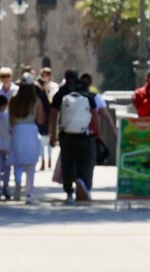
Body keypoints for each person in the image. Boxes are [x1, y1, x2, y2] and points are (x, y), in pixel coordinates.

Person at [53, 73, 95, 203]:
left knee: (67, 163)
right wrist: (98, 133)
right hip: (83, 135)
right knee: (83, 160)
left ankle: (69, 192)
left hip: (65, 135)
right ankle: (81, 180)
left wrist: (52, 133)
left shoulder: (61, 94)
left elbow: (53, 114)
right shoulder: (88, 95)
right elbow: (96, 115)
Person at [8, 78, 46, 204]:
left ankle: (18, 182)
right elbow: (40, 120)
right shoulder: (36, 101)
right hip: (30, 130)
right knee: (30, 164)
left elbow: (11, 120)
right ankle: (29, 193)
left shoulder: (13, 99)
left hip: (17, 130)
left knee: (18, 162)